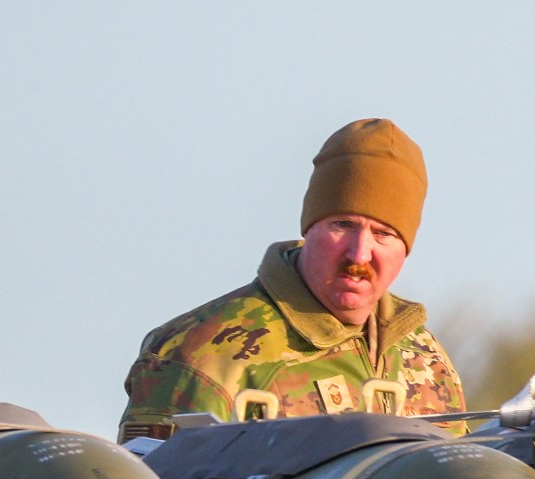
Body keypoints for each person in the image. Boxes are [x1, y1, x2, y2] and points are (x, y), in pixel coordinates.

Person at [118, 119, 466, 441]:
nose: (359, 255)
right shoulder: (201, 353)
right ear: (309, 227)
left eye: (383, 234)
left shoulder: (425, 357)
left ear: (406, 248)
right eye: (342, 225)